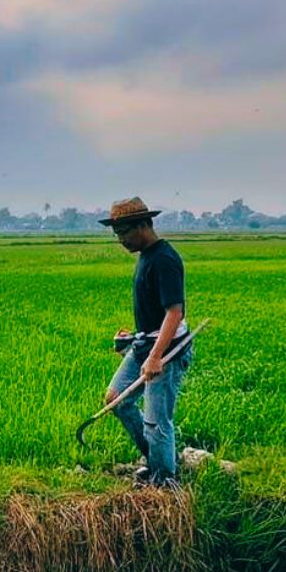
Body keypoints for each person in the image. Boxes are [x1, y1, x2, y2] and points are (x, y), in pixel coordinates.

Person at [101, 197, 190, 489]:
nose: (121, 240)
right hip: (145, 345)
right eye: (117, 234)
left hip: (165, 351)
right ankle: (155, 461)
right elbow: (154, 314)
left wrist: (155, 356)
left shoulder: (164, 259)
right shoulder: (146, 256)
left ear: (143, 225)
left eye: (124, 232)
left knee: (157, 420)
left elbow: (174, 312)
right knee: (117, 398)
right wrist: (131, 338)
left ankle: (165, 482)